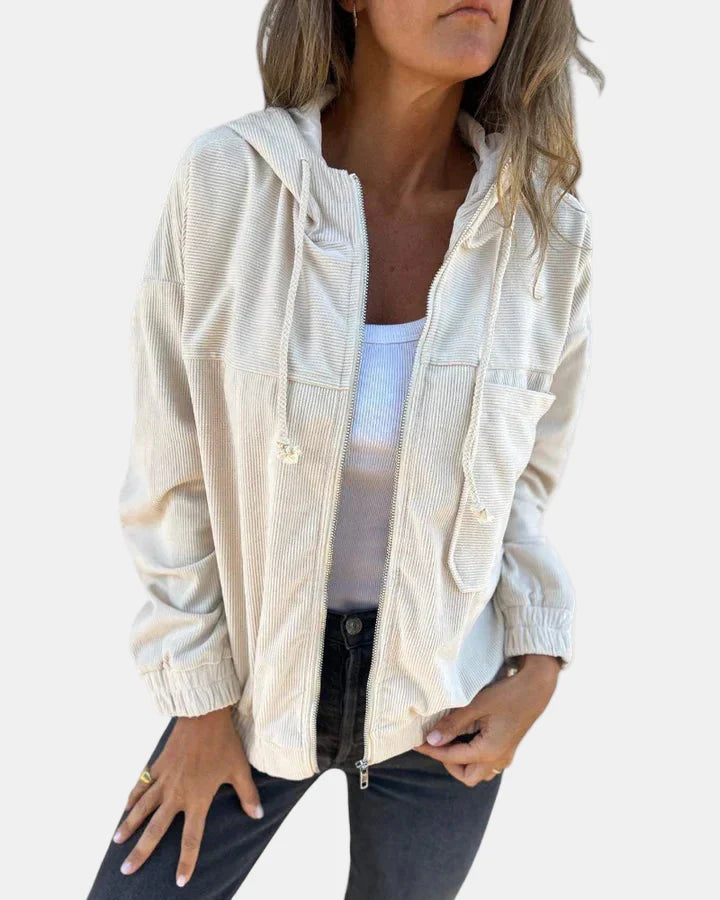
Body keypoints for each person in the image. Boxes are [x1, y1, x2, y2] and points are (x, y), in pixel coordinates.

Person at [88, 0, 602, 896]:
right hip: (250, 692)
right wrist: (198, 706)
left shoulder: (546, 229)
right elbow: (171, 471)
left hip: (444, 709)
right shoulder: (231, 181)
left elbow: (524, 483)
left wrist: (539, 664)